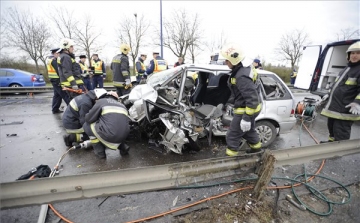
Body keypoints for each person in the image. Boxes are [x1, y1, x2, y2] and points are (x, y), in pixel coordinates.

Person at [220, 43, 262, 156]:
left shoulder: (241, 76)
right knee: (248, 132)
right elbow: (238, 92)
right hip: (249, 107)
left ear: (234, 61)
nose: (225, 62)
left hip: (247, 109)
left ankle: (230, 160)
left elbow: (252, 99)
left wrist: (246, 118)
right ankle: (257, 151)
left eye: (227, 60)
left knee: (232, 135)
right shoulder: (243, 69)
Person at [320, 41, 360, 142]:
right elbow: (336, 86)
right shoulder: (347, 68)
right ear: (348, 55)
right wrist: (328, 95)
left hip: (345, 110)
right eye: (352, 53)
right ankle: (330, 144)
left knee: (341, 132)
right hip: (335, 108)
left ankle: (337, 153)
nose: (354, 55)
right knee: (332, 129)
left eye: (358, 53)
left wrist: (357, 102)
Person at [83, 91, 131, 159]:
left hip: (109, 135)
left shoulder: (102, 102)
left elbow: (88, 119)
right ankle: (122, 146)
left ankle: (100, 152)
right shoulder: (123, 106)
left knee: (87, 125)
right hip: (123, 136)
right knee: (116, 127)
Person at [46, 48, 70, 114]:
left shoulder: (50, 59)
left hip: (53, 79)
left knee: (57, 95)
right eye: (58, 53)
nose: (59, 55)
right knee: (65, 95)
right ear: (55, 53)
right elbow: (59, 71)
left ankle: (55, 109)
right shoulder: (54, 61)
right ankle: (72, 110)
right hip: (57, 80)